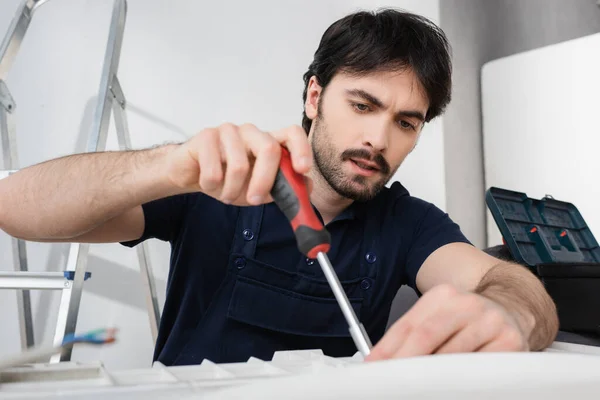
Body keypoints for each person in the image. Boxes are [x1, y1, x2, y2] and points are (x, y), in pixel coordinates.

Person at [0, 8, 558, 365]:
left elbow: (504, 281)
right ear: (315, 97)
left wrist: (512, 315)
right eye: (362, 104)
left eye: (406, 122)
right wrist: (168, 165)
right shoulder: (218, 180)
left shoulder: (407, 223)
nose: (378, 138)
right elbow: (14, 208)